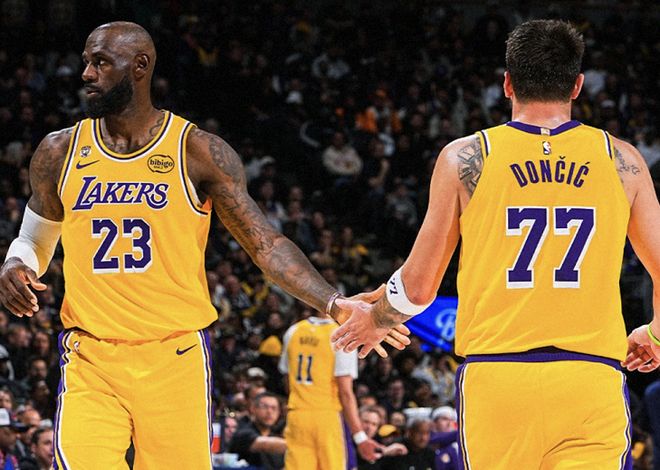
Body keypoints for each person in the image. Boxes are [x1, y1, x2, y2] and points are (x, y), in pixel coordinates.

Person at [0, 22, 408, 469]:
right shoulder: (59, 151)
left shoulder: (195, 151)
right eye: (86, 62)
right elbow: (33, 238)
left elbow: (266, 245)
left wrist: (332, 302)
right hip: (90, 354)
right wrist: (17, 263)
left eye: (101, 63)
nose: (87, 74)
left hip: (174, 358)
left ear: (140, 66)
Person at [333, 19, 660, 468]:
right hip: (590, 378)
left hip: (496, 378)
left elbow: (419, 287)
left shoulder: (466, 157)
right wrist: (655, 333)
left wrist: (378, 318)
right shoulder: (622, 160)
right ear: (577, 86)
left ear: (507, 84)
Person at [279, 311, 383, 469]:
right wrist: (360, 437)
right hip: (326, 417)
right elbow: (345, 393)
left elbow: (287, 379)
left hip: (297, 415)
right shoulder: (341, 335)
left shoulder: (293, 331)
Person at [228, 392, 285, 470]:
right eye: (264, 407)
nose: (269, 412)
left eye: (274, 408)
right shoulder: (243, 433)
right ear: (253, 409)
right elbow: (264, 444)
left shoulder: (276, 437)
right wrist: (297, 445)